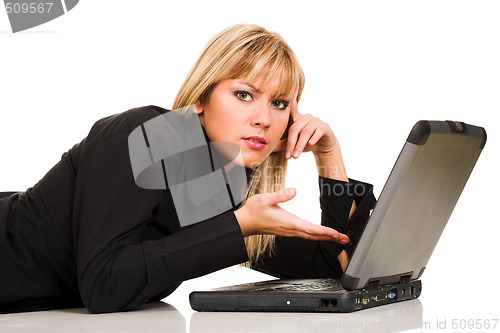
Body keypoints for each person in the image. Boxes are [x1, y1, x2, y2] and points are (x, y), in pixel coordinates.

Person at [0, 24, 376, 314]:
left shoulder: (224, 186)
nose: (263, 118)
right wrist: (238, 226)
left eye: (279, 103)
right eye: (244, 94)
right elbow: (102, 284)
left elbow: (334, 264)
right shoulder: (145, 137)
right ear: (201, 96)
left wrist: (329, 157)